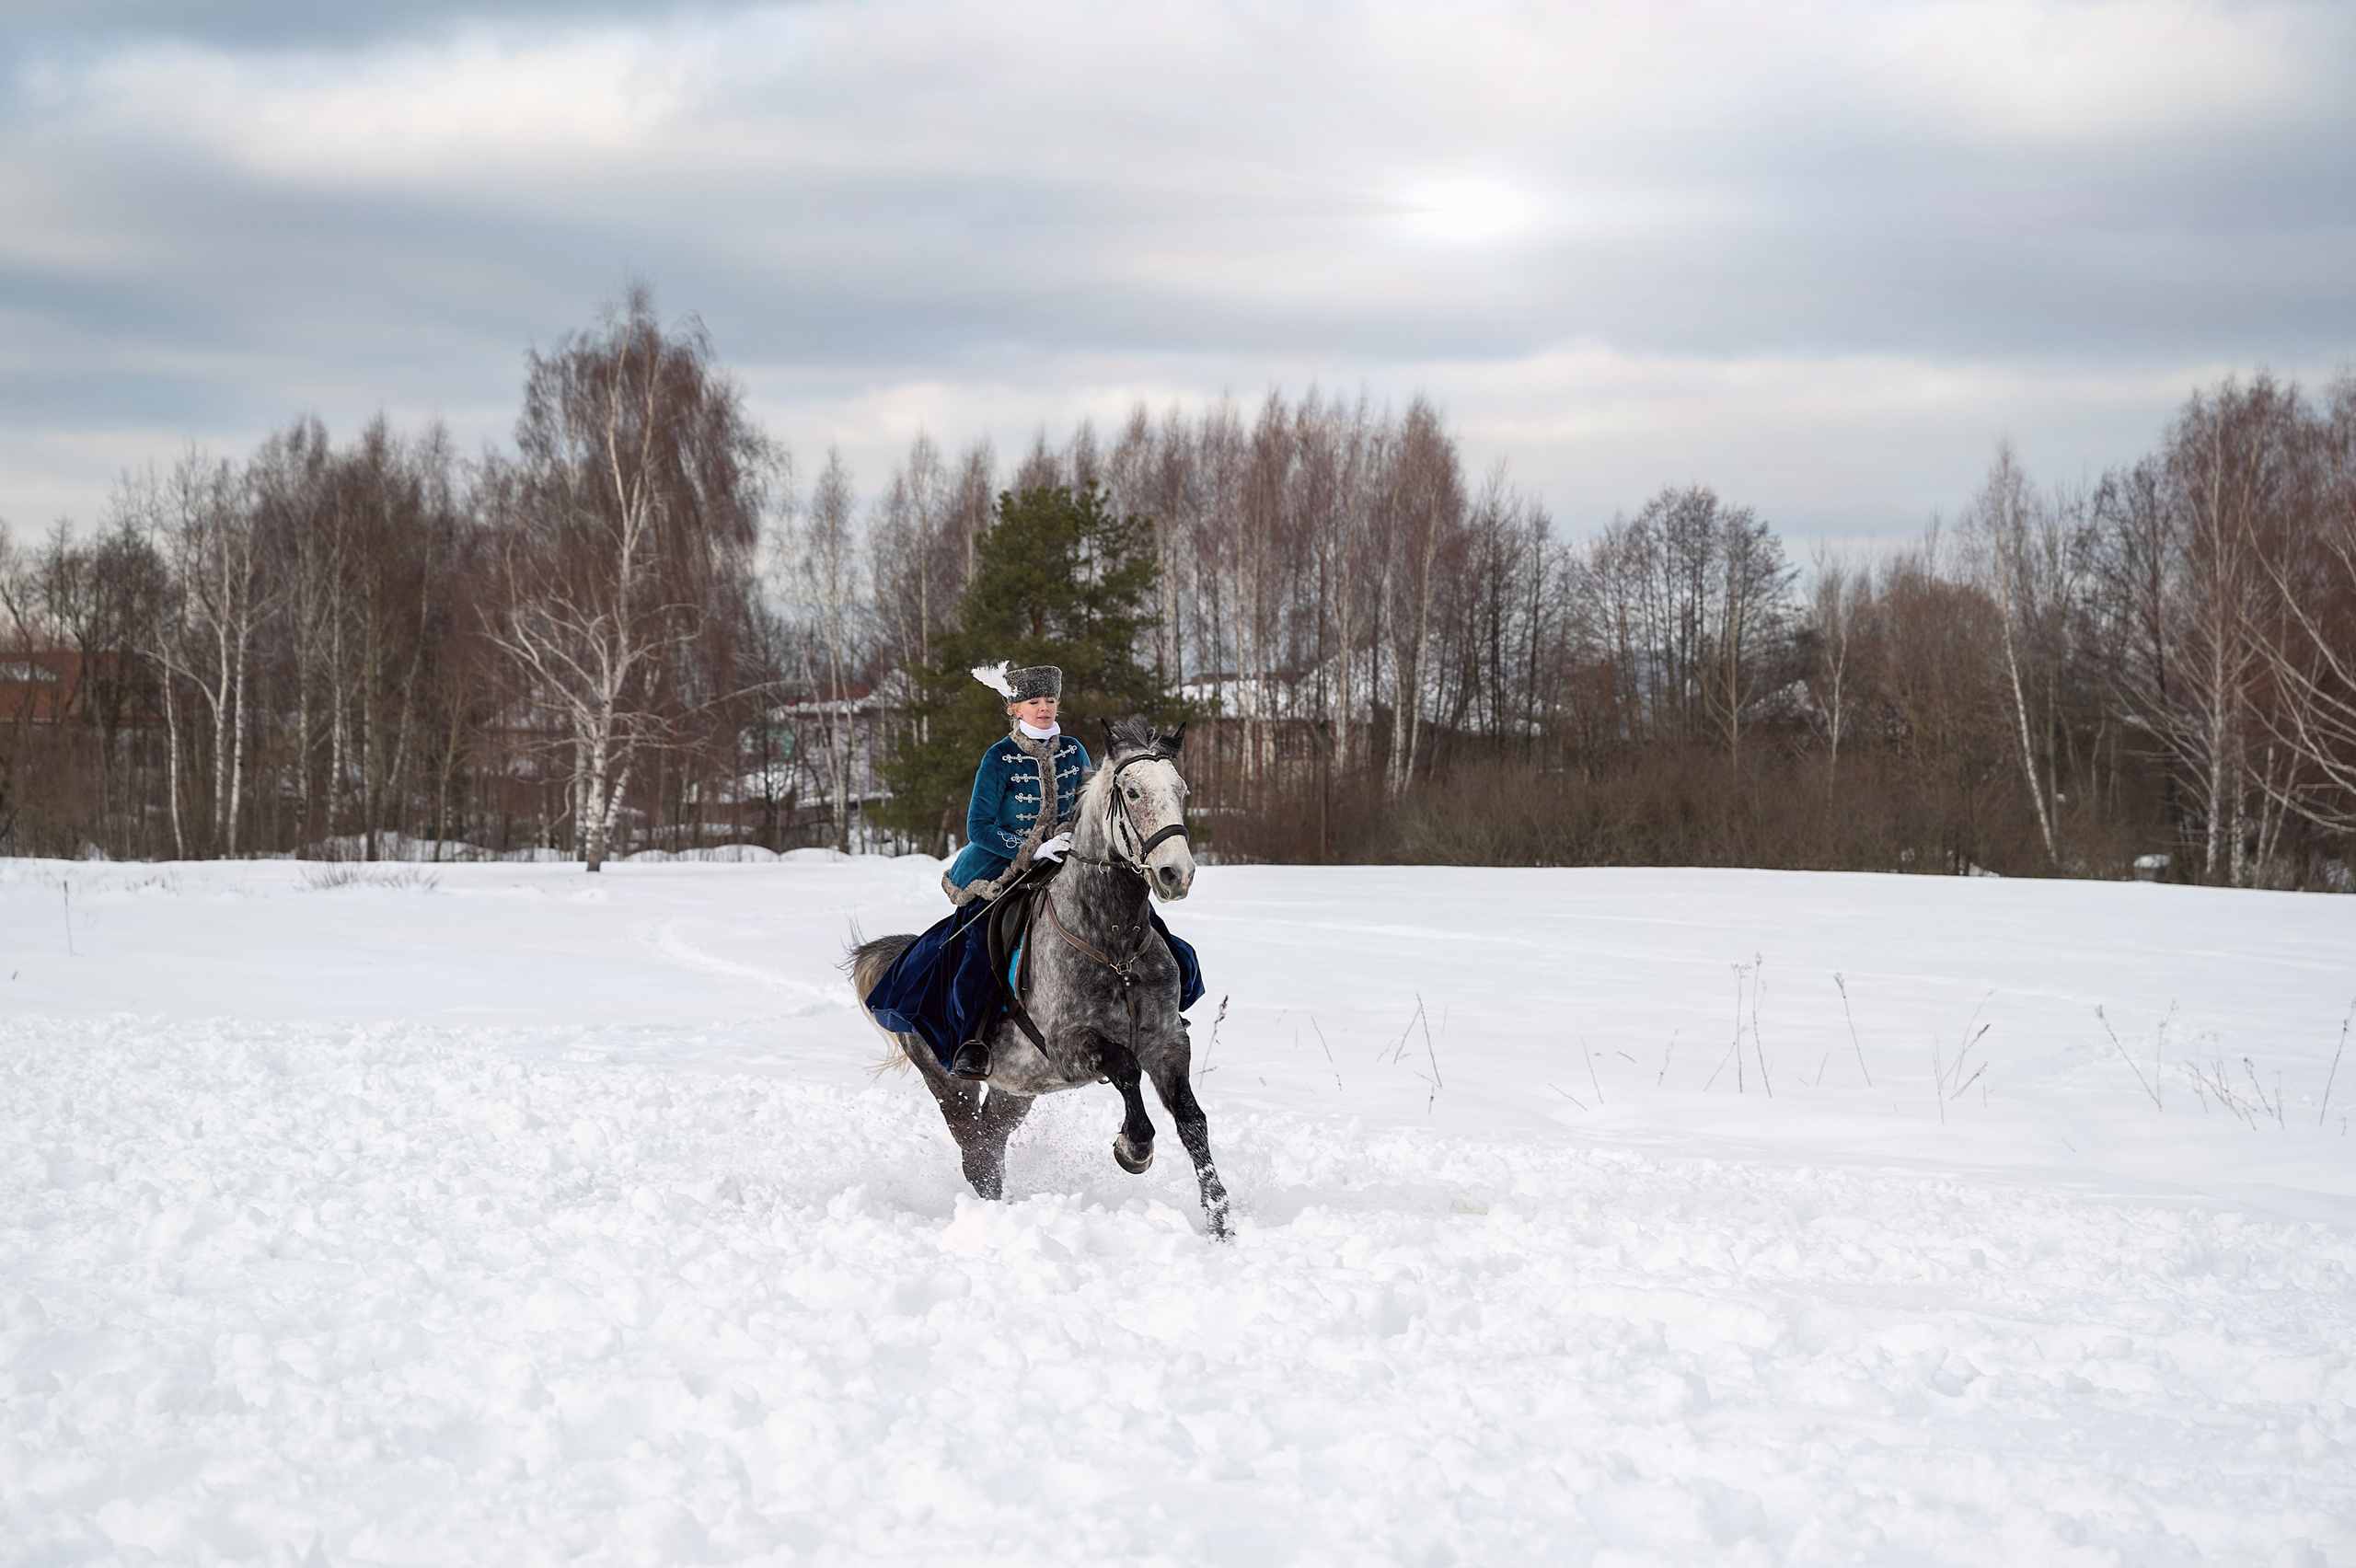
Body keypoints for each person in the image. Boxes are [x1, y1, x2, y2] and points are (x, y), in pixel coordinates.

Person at [864, 662, 1090, 1080]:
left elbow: (1086, 806)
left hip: (1066, 860)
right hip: (1000, 870)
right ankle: (972, 1040)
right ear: (1015, 709)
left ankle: (1152, 1012)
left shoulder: (1075, 751)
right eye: (1034, 702)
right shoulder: (998, 757)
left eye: (1051, 700)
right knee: (979, 947)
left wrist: (1076, 836)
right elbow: (978, 827)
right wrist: (1033, 848)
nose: (1045, 709)